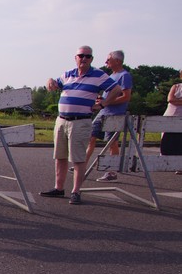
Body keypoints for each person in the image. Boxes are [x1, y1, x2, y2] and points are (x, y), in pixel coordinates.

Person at [42, 45, 122, 205]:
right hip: (62, 120)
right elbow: (54, 84)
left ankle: (76, 191)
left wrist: (104, 103)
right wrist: (49, 80)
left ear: (91, 59)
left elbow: (116, 89)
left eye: (87, 56)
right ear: (76, 58)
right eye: (81, 56)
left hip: (80, 121)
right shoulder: (68, 74)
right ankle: (59, 188)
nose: (84, 59)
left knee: (78, 158)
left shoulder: (98, 75)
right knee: (60, 156)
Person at [85, 50, 133, 181]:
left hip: (115, 114)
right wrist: (102, 100)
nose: (106, 62)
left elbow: (126, 97)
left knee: (112, 142)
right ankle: (82, 165)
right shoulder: (111, 76)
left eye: (108, 59)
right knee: (90, 137)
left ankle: (112, 172)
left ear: (117, 61)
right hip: (103, 112)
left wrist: (106, 102)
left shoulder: (124, 76)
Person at [160, 70, 182, 159]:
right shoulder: (176, 87)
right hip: (171, 115)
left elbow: (174, 100)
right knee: (167, 141)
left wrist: (178, 101)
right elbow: (170, 99)